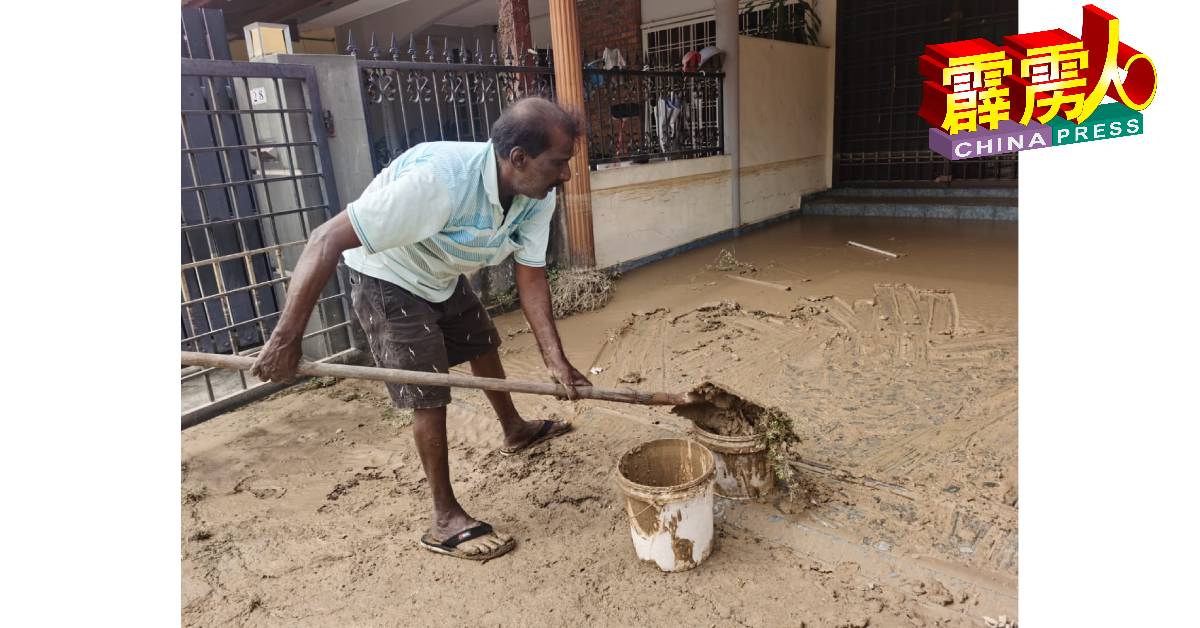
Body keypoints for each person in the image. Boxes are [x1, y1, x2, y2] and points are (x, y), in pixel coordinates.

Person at [251, 97, 593, 562]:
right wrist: (285, 340)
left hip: (439, 271)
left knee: (482, 341)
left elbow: (530, 275)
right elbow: (325, 239)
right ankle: (444, 518)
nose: (567, 176)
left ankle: (514, 429)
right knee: (428, 389)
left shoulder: (536, 193)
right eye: (559, 163)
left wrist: (557, 361)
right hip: (386, 274)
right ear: (519, 159)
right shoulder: (438, 182)